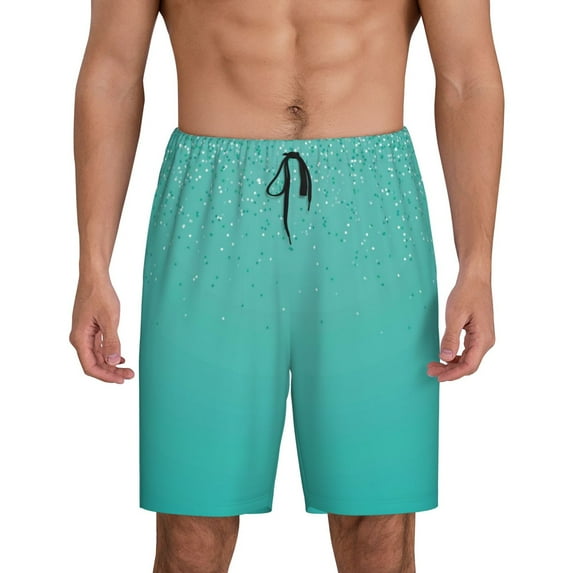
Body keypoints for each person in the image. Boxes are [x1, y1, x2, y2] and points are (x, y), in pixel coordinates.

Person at [69, 0, 503, 570]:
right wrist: (93, 266)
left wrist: (477, 266)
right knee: (191, 532)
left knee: (378, 528)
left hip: (372, 213)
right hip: (210, 208)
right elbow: (112, 74)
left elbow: (468, 76)